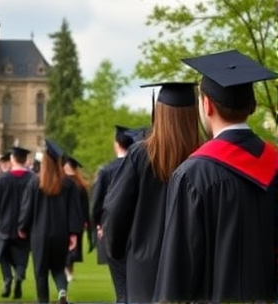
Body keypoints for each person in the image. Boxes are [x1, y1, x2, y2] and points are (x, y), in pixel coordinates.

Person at [154, 49, 278, 302]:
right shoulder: (274, 165)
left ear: (206, 105)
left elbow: (177, 274)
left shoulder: (193, 176)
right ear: (253, 105)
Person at [102, 83, 200, 303]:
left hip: (144, 269)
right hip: (191, 269)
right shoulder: (204, 156)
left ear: (159, 113)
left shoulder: (140, 155)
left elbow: (116, 209)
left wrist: (116, 247)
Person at [18, 139, 82, 304]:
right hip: (61, 234)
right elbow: (74, 211)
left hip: (39, 234)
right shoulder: (68, 184)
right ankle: (62, 292)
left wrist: (22, 227)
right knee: (59, 269)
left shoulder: (34, 182)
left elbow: (27, 209)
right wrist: (74, 233)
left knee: (41, 273)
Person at [91, 125, 135, 304]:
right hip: (137, 233)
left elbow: (97, 203)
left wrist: (99, 224)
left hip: (113, 232)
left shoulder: (107, 171)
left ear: (117, 144)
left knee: (121, 286)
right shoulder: (139, 168)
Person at [0, 146, 35, 299]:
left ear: (12, 159)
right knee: (22, 255)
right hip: (25, 225)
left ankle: (7, 278)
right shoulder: (33, 179)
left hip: (4, 224)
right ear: (26, 160)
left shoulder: (2, 179)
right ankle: (19, 278)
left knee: (2, 254)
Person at [62, 154, 93, 282]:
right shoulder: (80, 184)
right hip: (77, 221)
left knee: (66, 247)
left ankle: (67, 270)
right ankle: (69, 271)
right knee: (73, 248)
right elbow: (86, 207)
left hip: (63, 220)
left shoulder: (63, 183)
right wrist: (86, 221)